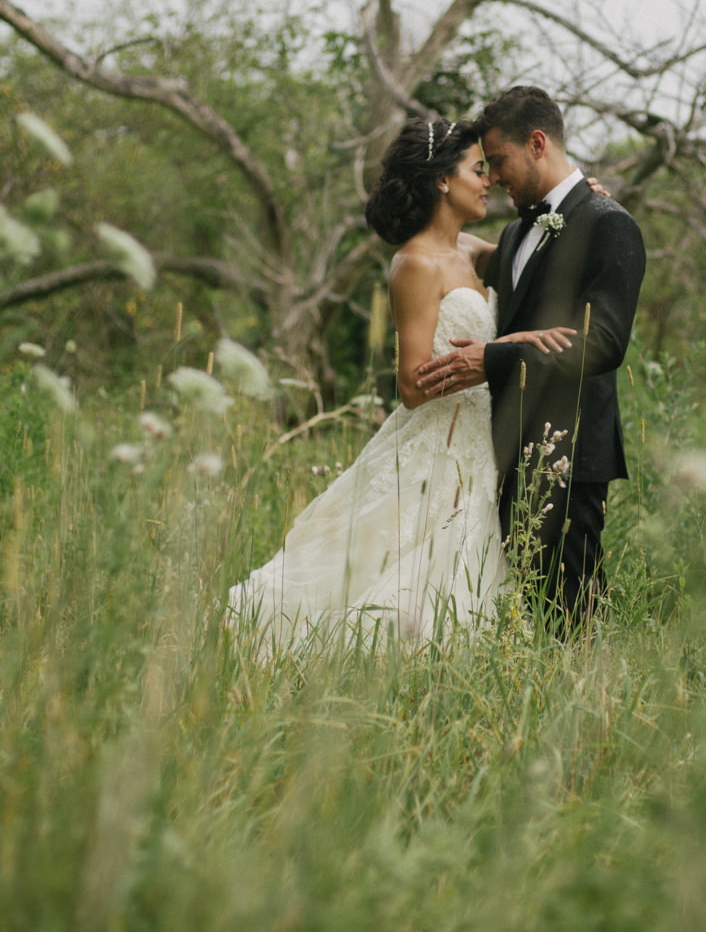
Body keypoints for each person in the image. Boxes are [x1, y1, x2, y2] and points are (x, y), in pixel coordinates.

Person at [226, 117, 577, 651]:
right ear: (442, 180)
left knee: (467, 572)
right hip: (436, 442)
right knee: (400, 571)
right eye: (478, 170)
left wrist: (575, 203)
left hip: (482, 443)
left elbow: (536, 244)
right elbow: (411, 386)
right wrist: (506, 351)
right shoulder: (413, 264)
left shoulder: (473, 251)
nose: (488, 182)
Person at [416, 86, 647, 635]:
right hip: (500, 452)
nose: (492, 178)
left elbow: (604, 343)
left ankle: (588, 718)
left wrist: (493, 361)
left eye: (497, 161)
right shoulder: (517, 229)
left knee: (569, 621)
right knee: (508, 618)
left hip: (567, 453)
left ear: (537, 143)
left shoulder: (609, 223)